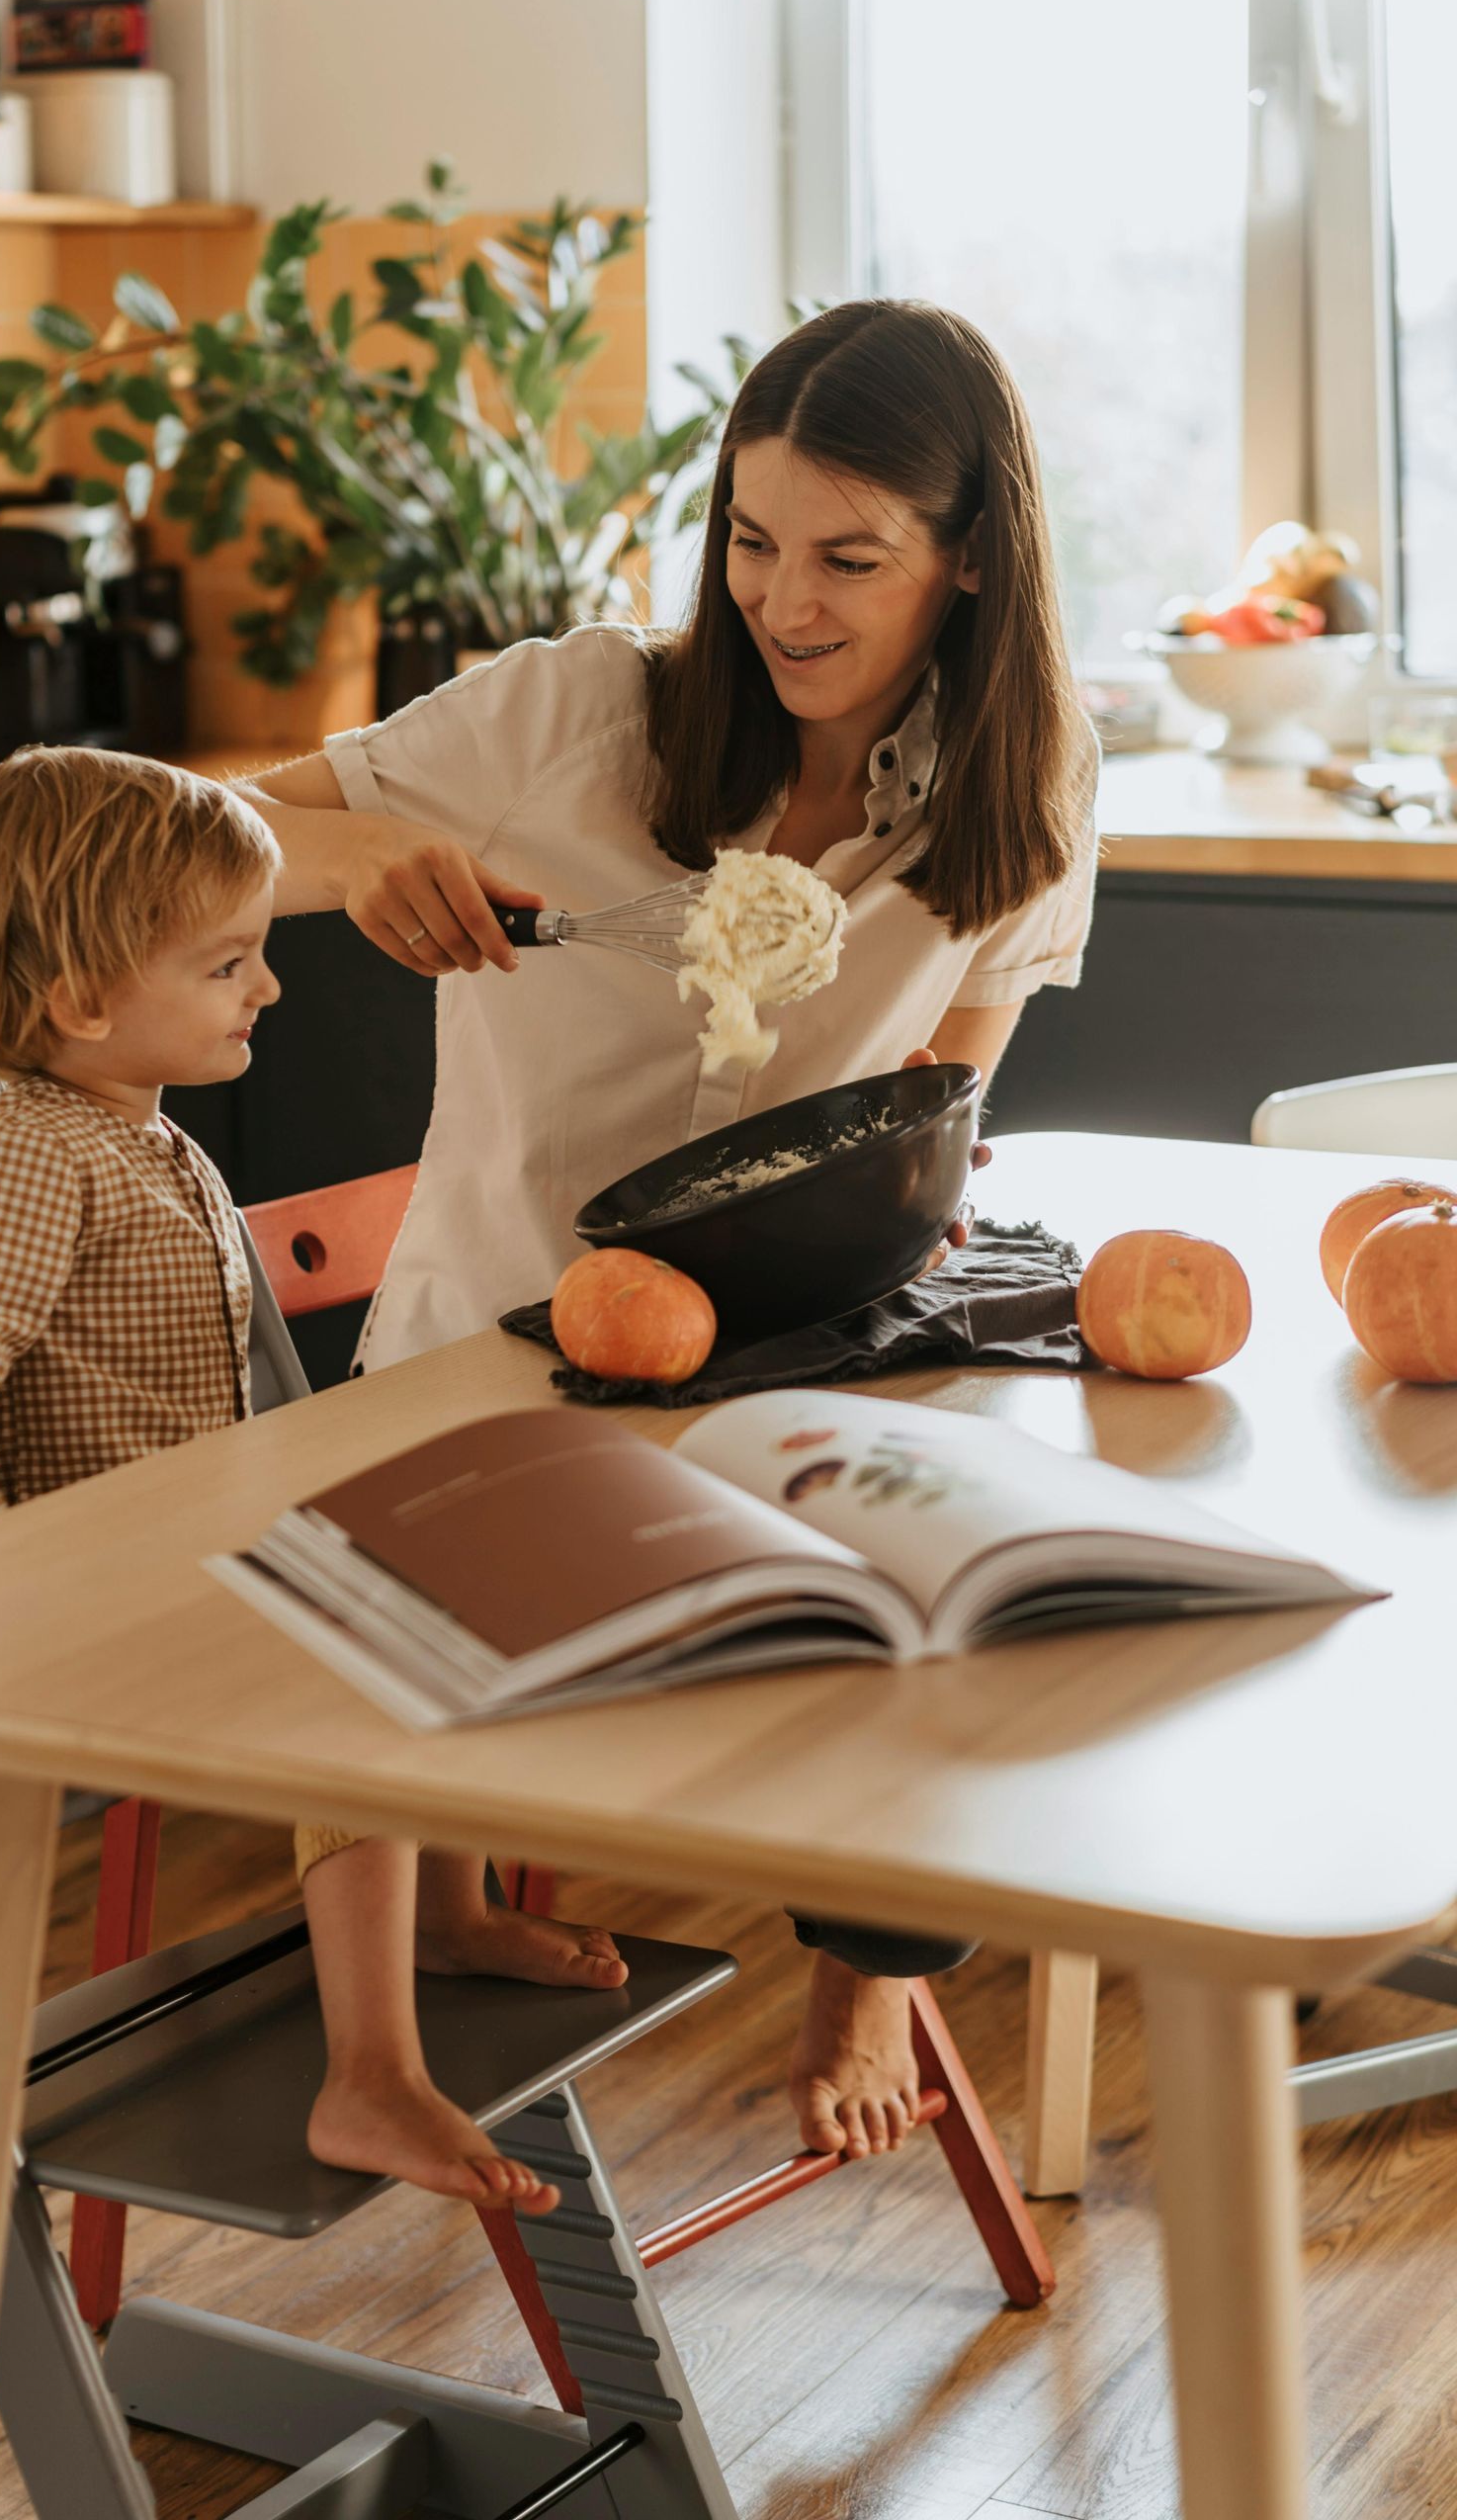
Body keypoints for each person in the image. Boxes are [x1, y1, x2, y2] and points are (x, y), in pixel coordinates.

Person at [241, 301, 1098, 2162]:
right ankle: (388, 2015)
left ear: (967, 564)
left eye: (851, 559)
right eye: (752, 538)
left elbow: (934, 1117)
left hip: (781, 1362)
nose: (786, 602)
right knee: (373, 1574)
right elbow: (189, 835)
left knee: (987, 1582)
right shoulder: (566, 716)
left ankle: (871, 1967)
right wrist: (351, 857)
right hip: (491, 1350)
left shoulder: (1027, 789)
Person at [0, 743, 626, 2216]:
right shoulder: (30, 1160)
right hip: (94, 1601)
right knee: (352, 1662)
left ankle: (450, 1912)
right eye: (226, 964)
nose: (268, 988)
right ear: (82, 1000)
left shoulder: (142, 1141)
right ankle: (371, 2073)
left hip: (183, 1556)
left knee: (444, 1574)